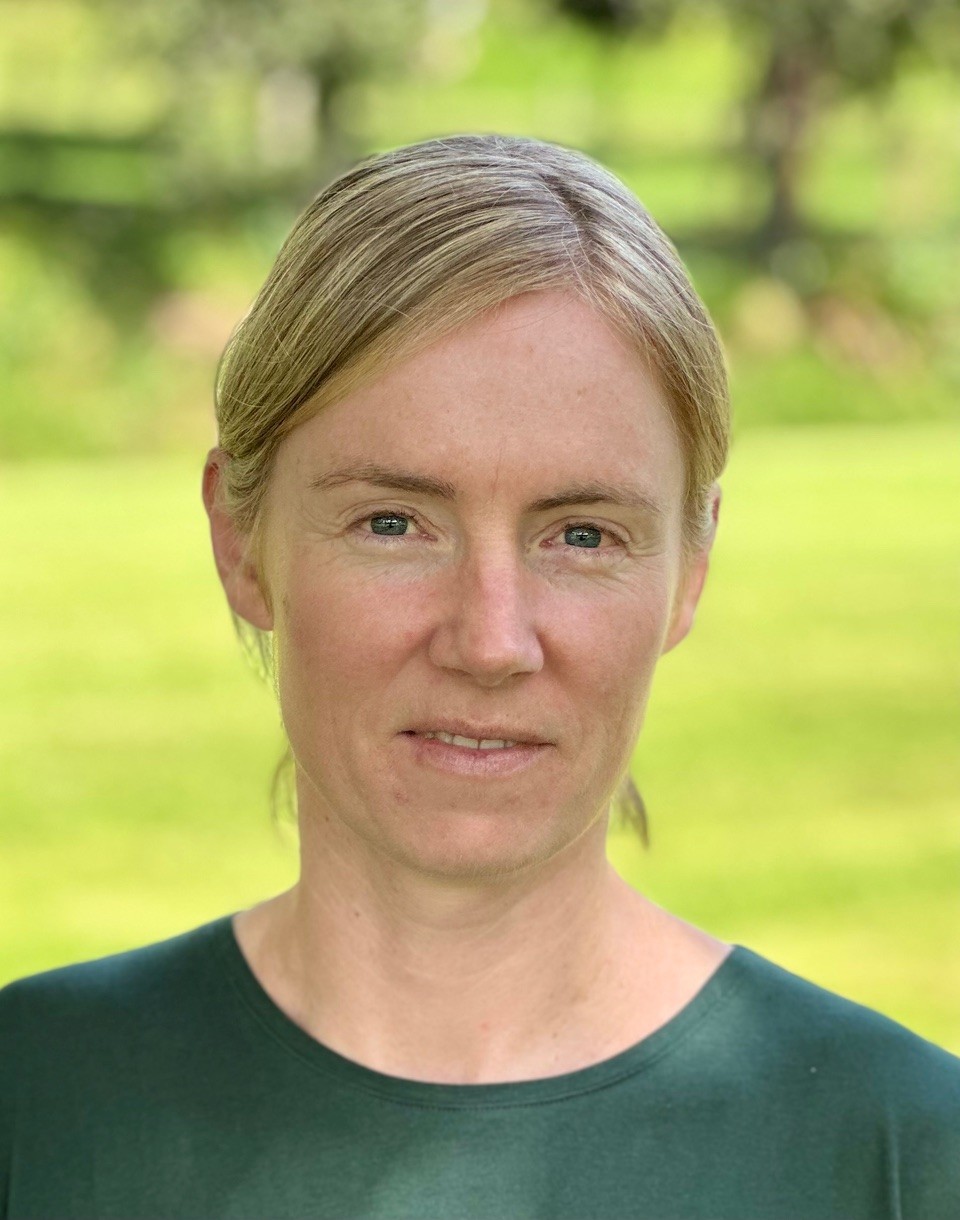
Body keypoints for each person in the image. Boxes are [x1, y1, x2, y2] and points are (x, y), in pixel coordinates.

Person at [1, 133, 957, 1220]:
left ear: (689, 571)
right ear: (240, 541)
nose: (491, 641)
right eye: (394, 522)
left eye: (583, 535)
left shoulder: (904, 1156)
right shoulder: (36, 1105)